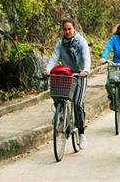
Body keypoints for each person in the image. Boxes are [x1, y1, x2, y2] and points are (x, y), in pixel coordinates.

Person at [44, 18, 91, 149]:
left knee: (77, 102)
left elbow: (86, 57)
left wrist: (86, 70)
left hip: (80, 75)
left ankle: (81, 133)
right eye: (65, 29)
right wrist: (47, 69)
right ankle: (62, 116)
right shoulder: (60, 44)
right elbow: (54, 57)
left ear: (74, 29)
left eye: (69, 29)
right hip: (67, 75)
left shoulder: (81, 41)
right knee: (59, 96)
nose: (67, 31)